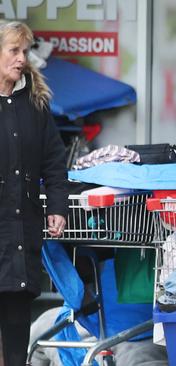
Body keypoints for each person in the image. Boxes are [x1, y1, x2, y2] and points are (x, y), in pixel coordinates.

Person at [0, 21, 68, 365]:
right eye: (13, 50)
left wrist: (57, 207)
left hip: (21, 235)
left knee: (16, 331)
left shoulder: (36, 105)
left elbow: (55, 163)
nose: (22, 58)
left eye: (25, 51)